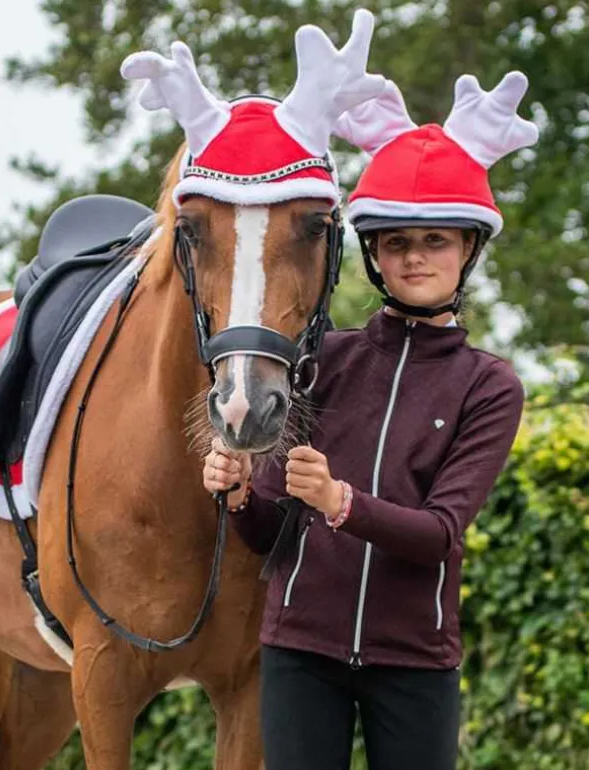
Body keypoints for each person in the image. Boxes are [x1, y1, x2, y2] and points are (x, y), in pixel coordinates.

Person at [203, 73, 539, 770]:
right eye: (395, 241)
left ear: (468, 249)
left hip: (414, 660)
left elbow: (441, 535)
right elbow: (270, 530)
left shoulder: (490, 385)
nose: (414, 256)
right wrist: (237, 492)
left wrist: (340, 501)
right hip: (300, 651)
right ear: (373, 254)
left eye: (436, 240)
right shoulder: (323, 359)